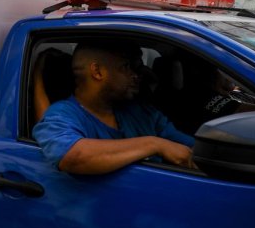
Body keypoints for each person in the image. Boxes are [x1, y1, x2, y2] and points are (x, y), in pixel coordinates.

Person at [33, 40, 194, 175]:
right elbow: (73, 156)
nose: (136, 75)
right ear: (97, 71)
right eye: (126, 67)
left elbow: (191, 148)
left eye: (136, 67)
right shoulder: (62, 114)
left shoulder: (140, 111)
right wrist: (155, 145)